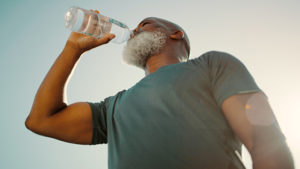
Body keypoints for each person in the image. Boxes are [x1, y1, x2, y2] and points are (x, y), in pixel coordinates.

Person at [25, 13, 294, 169]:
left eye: (146, 23)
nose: (135, 29)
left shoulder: (212, 64)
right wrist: (73, 49)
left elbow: (264, 143)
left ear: (176, 35)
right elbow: (41, 120)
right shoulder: (113, 107)